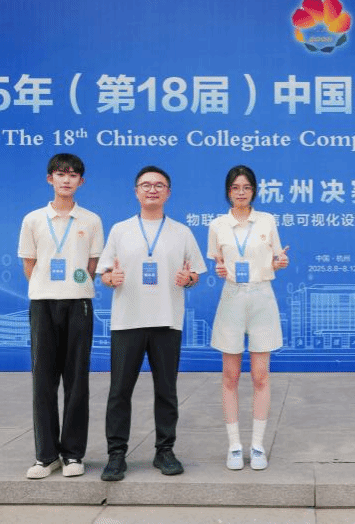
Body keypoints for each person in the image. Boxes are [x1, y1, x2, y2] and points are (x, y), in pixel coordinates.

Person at [97, 165, 206, 481]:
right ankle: (116, 454)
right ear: (136, 192)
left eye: (159, 185)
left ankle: (165, 451)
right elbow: (104, 274)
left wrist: (188, 279)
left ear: (168, 193)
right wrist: (111, 278)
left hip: (167, 321)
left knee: (166, 391)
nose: (152, 190)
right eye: (146, 185)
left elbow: (195, 273)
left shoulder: (181, 232)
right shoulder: (120, 230)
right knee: (119, 391)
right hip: (127, 321)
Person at [17, 153, 104, 479]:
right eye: (60, 173)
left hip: (79, 303)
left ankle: (73, 454)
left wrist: (70, 288)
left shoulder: (91, 220)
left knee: (77, 381)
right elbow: (29, 264)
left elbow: (92, 266)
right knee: (43, 381)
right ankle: (45, 456)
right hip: (43, 304)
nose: (66, 179)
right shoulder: (33, 220)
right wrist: (48, 288)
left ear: (81, 181)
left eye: (73, 175)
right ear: (49, 178)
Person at [207, 165, 289, 471]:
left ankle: (257, 445)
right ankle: (234, 446)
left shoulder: (267, 221)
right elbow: (218, 261)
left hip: (261, 297)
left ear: (254, 191)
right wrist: (220, 269)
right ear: (228, 191)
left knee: (260, 375)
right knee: (230, 375)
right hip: (232, 297)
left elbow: (276, 258)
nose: (241, 193)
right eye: (235, 187)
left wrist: (280, 262)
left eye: (246, 187)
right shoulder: (218, 225)